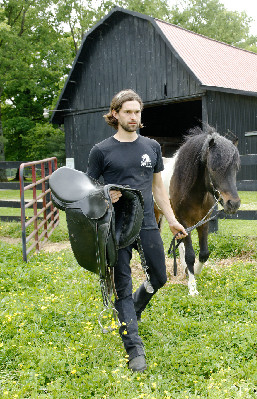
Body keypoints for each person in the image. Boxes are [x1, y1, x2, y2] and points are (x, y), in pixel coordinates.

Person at [87, 89, 187, 373]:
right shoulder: (101, 150)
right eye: (128, 112)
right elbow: (87, 189)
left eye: (137, 112)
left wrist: (171, 219)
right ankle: (134, 349)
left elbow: (158, 188)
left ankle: (134, 309)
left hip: (145, 223)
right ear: (115, 113)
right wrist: (105, 193)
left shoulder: (152, 147)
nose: (134, 117)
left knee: (159, 276)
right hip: (114, 226)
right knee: (122, 287)